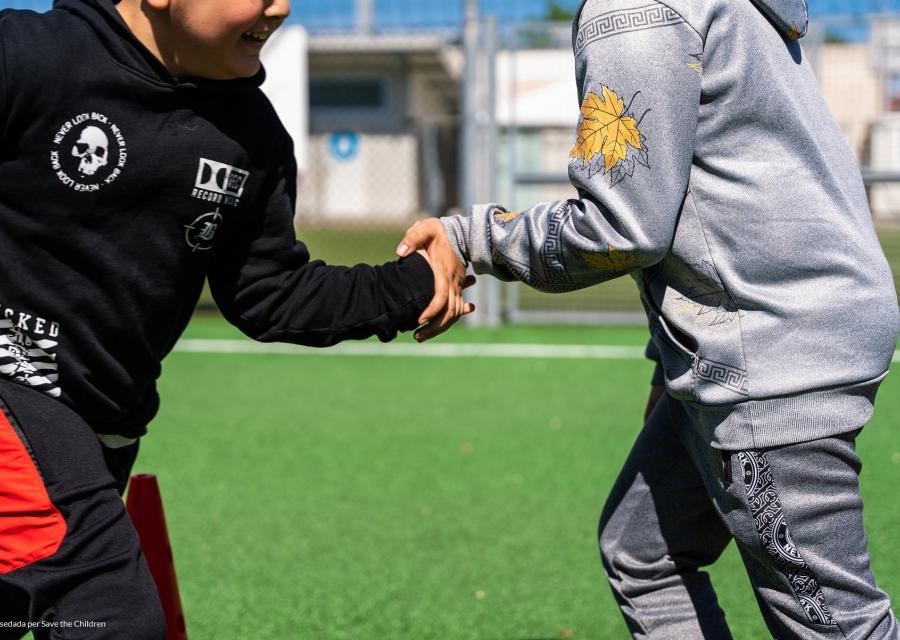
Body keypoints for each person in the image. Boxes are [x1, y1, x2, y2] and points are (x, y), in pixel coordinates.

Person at [398, 0, 900, 637]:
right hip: (786, 326)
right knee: (644, 553)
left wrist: (471, 239)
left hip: (769, 355)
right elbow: (715, 192)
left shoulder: (636, 10)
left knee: (839, 626)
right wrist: (667, 363)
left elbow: (621, 226)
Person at [0, 0, 470, 637]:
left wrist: (412, 283)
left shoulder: (253, 135)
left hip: (103, 425)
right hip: (14, 401)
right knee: (111, 613)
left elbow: (270, 294)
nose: (278, 6)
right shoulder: (30, 56)